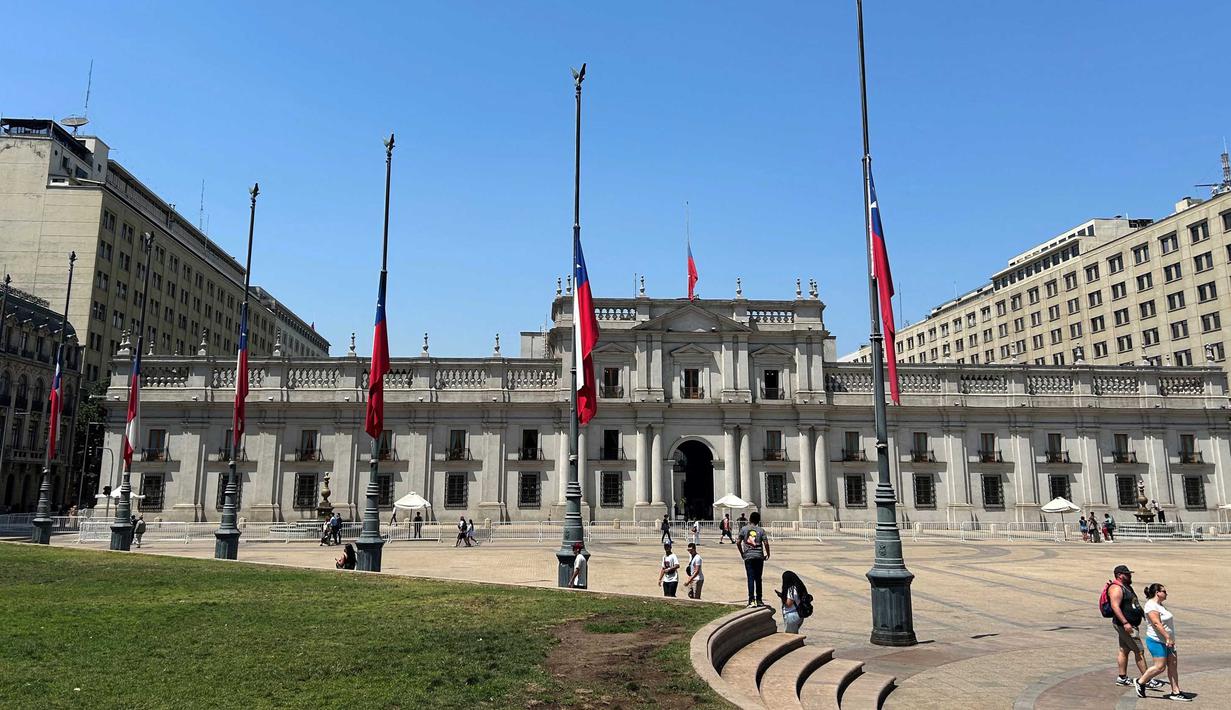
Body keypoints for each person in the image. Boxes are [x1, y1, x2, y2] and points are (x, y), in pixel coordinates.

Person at [1135, 583, 1189, 701]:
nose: (1166, 593)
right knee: (1160, 667)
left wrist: (1170, 639)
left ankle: (1176, 691)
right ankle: (1140, 682)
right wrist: (1167, 637)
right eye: (1164, 591)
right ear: (1157, 593)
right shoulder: (1151, 606)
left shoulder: (1160, 605)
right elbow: (1156, 624)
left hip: (1168, 641)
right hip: (1157, 640)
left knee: (1173, 665)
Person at [1107, 564, 1151, 688]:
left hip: (1128, 624)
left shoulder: (1126, 586)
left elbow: (1133, 603)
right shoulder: (1116, 588)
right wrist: (1126, 623)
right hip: (1125, 625)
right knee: (1139, 651)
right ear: (1119, 575)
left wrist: (1142, 614)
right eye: (1127, 574)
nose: (1130, 575)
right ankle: (1146, 679)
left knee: (1124, 650)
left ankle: (1122, 678)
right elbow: (1115, 606)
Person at [737, 511, 770, 608]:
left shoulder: (744, 529)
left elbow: (738, 542)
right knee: (758, 578)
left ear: (750, 519)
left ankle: (751, 600)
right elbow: (766, 543)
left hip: (748, 556)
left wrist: (742, 553)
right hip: (759, 556)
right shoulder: (761, 530)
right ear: (758, 520)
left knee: (750, 578)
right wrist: (768, 554)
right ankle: (759, 599)